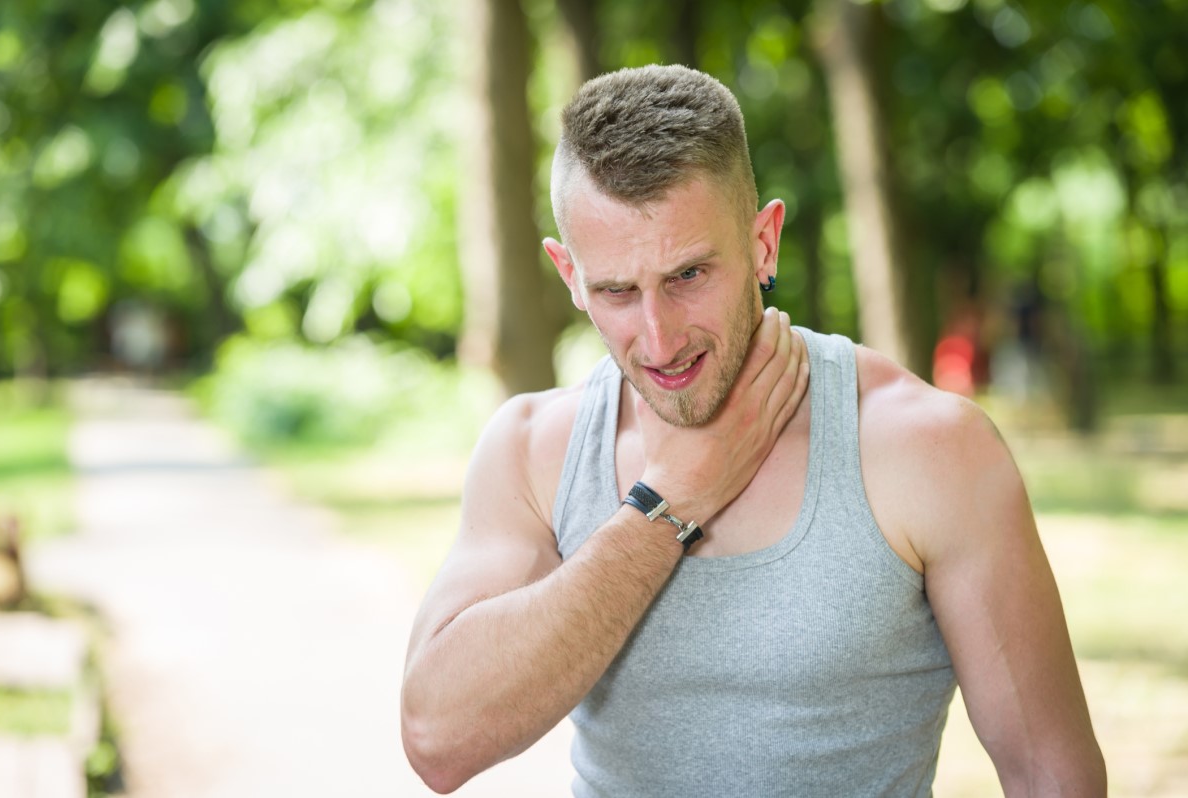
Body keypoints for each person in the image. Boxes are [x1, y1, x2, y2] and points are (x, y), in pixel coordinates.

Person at [401, 65, 1105, 796]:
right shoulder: (530, 450)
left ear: (763, 242)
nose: (659, 338)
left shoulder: (927, 448)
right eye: (616, 290)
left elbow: (1050, 774)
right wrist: (670, 498)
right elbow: (436, 740)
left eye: (690, 275)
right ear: (569, 274)